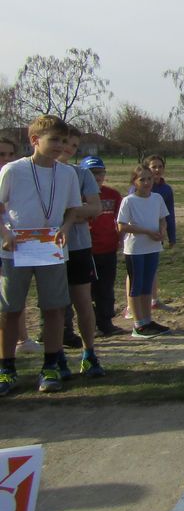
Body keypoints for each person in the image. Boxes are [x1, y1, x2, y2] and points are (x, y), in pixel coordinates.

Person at [0, 115, 82, 396]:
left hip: (51, 247)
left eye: (64, 140)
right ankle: (6, 368)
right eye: (54, 140)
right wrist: (5, 234)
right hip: (16, 249)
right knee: (10, 310)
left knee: (54, 309)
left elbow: (72, 209)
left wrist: (66, 228)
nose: (60, 146)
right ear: (35, 140)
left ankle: (50, 366)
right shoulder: (13, 170)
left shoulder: (67, 173)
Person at [56, 125, 106, 378]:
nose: (68, 148)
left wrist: (66, 215)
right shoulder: (35, 172)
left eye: (74, 146)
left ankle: (89, 353)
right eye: (65, 142)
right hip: (48, 249)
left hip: (78, 246)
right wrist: (76, 213)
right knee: (54, 306)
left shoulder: (81, 173)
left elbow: (95, 208)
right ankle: (56, 357)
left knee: (83, 302)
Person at [116, 165, 170, 338]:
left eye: (149, 179)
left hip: (153, 247)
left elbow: (162, 219)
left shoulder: (157, 198)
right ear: (134, 182)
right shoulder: (129, 201)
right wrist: (146, 231)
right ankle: (138, 324)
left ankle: (147, 320)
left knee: (147, 285)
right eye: (142, 179)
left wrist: (162, 230)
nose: (146, 183)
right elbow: (121, 226)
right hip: (135, 249)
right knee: (136, 285)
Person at [0, 135, 41, 357]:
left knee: (13, 298)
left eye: (10, 154)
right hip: (5, 240)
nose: (6, 159)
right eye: (1, 154)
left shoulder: (16, 176)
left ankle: (22, 338)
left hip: (13, 246)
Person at [80, 156, 126, 336]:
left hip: (108, 249)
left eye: (100, 172)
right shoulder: (77, 195)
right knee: (87, 291)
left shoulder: (112, 195)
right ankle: (90, 324)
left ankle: (105, 323)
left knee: (106, 288)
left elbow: (120, 219)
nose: (97, 177)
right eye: (92, 173)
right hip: (87, 250)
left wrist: (120, 239)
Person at [143, 154, 174, 310]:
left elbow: (169, 214)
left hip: (157, 234)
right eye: (153, 167)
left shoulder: (166, 189)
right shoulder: (138, 187)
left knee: (153, 267)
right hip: (140, 235)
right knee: (135, 271)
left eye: (160, 166)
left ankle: (154, 300)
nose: (157, 170)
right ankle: (131, 305)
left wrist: (171, 236)